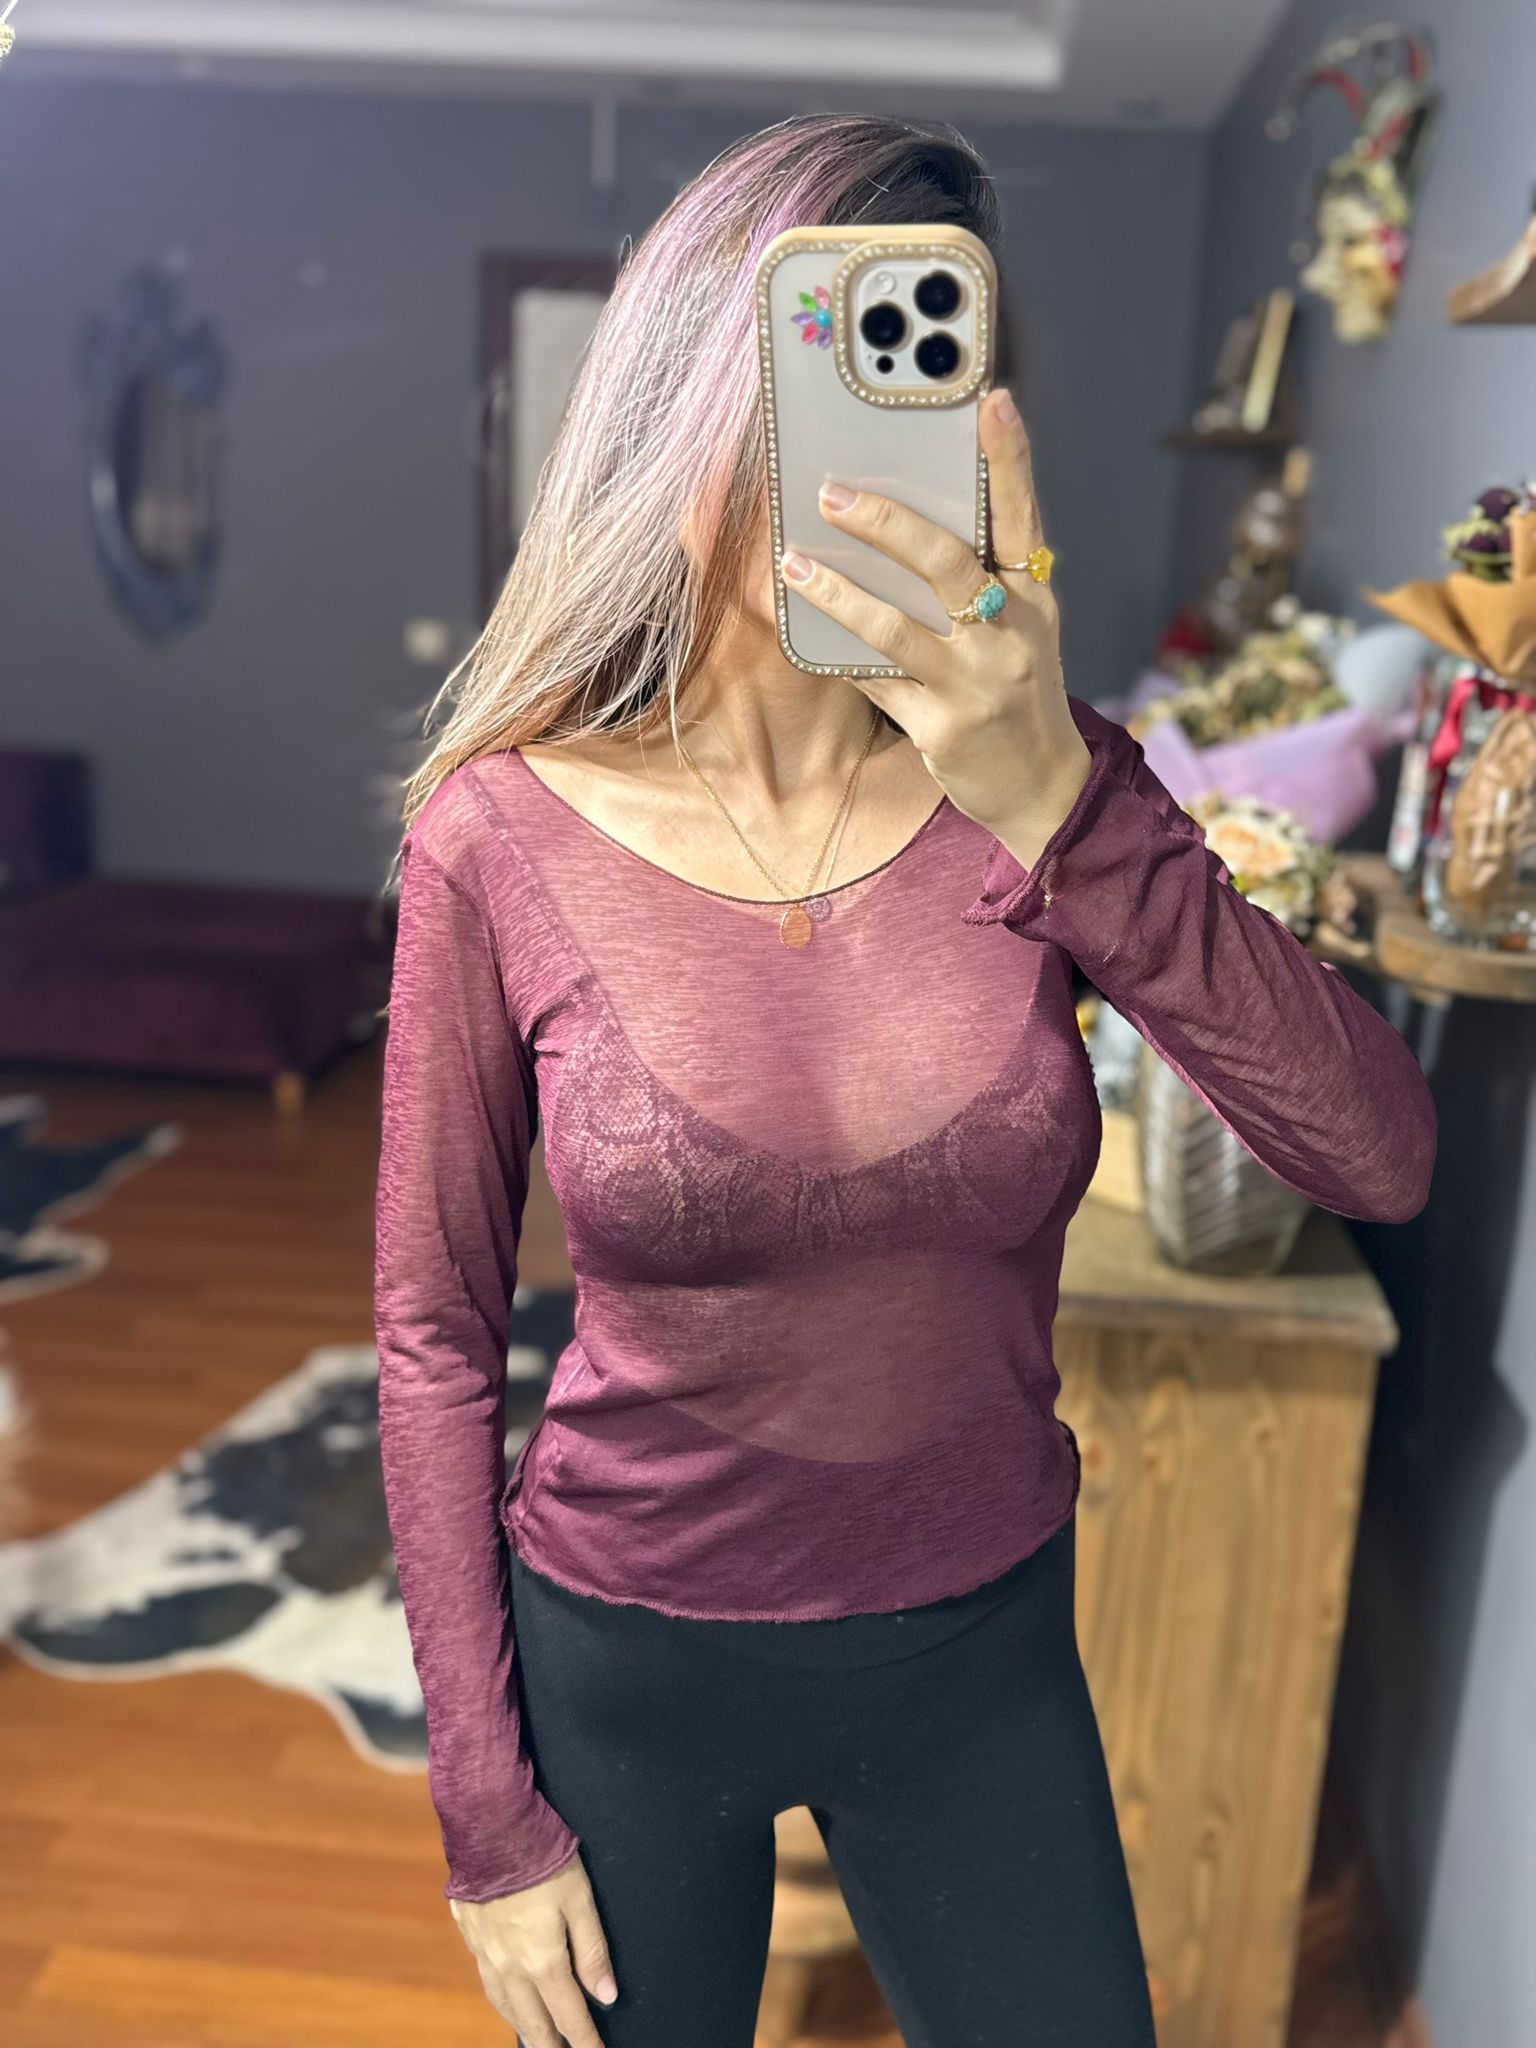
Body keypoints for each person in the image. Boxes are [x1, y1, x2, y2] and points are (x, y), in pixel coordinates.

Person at [373, 112, 1437, 2048]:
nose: (870, 439)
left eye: (929, 362)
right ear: (694, 390)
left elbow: (1378, 1156)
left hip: (980, 1649)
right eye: (826, 360)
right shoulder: (501, 834)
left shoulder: (1052, 784)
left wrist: (1058, 806)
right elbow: (435, 1330)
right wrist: (484, 1816)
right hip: (628, 1655)